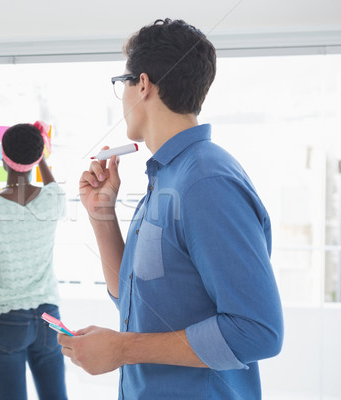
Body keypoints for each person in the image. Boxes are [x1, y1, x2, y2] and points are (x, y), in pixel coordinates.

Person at [58, 18, 284, 399]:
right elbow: (131, 298)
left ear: (142, 84)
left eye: (123, 84)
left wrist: (122, 348)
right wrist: (101, 215)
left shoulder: (206, 181)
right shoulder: (165, 178)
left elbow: (258, 330)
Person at [0, 121, 67, 399]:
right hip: (50, 319)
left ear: (3, 160)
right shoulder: (54, 199)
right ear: (37, 157)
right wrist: (40, 150)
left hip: (5, 321)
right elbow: (51, 183)